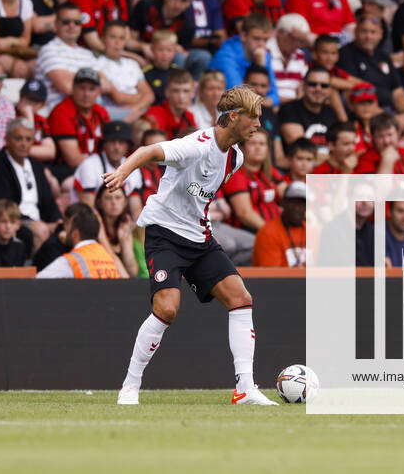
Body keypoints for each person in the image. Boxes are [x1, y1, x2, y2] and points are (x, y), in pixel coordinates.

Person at [103, 84, 278, 406]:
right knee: (167, 309)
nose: (258, 125)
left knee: (241, 298)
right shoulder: (196, 145)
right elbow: (151, 151)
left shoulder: (235, 158)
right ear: (235, 116)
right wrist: (123, 171)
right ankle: (130, 387)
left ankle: (245, 389)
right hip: (164, 233)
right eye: (254, 118)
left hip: (199, 237)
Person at [0, 117, 61, 247]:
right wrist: (32, 223)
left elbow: (48, 201)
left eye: (28, 139)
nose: (24, 144)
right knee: (41, 231)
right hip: (14, 221)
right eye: (18, 139)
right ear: (7, 139)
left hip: (41, 221)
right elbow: (2, 202)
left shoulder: (37, 166)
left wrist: (56, 222)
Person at [34, 3, 101, 112]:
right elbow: (66, 87)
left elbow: (106, 86)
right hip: (57, 113)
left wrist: (73, 77)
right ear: (56, 25)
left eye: (77, 22)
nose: (72, 26)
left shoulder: (87, 54)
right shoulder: (48, 50)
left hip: (89, 113)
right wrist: (91, 82)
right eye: (66, 22)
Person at [36, 201, 127, 278]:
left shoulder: (72, 260)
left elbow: (37, 281)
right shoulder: (107, 257)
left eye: (67, 226)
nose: (65, 231)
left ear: (76, 234)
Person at [208, 13, 278, 104]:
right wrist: (260, 66)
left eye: (265, 40)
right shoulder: (226, 56)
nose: (261, 44)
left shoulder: (263, 54)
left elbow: (274, 96)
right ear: (244, 36)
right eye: (257, 38)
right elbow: (239, 96)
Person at [96, 21, 154, 122]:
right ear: (103, 39)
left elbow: (150, 95)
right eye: (113, 37)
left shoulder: (132, 64)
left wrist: (134, 109)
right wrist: (141, 98)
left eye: (122, 38)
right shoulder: (96, 64)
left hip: (135, 110)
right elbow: (119, 98)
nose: (117, 42)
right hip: (114, 113)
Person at [277, 66, 337, 157]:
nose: (318, 89)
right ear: (303, 86)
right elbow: (303, 153)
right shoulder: (289, 109)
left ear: (330, 90)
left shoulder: (331, 112)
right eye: (313, 84)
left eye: (324, 86)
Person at [252, 180, 305, 268]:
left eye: (302, 203)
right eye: (293, 202)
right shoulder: (268, 233)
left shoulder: (313, 231)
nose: (297, 208)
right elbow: (272, 278)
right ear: (283, 203)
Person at [93, 184, 139, 277]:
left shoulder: (126, 225)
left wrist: (124, 242)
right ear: (99, 203)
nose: (113, 202)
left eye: (118, 198)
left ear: (125, 202)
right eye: (108, 198)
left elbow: (133, 273)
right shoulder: (94, 226)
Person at [143, 68, 197, 140]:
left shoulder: (189, 116)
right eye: (176, 91)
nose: (181, 96)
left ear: (193, 93)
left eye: (186, 91)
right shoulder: (155, 114)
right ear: (167, 92)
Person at [0, 198, 29, 266]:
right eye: (3, 221)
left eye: (12, 222)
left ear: (18, 225)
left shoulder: (19, 247)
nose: (8, 227)